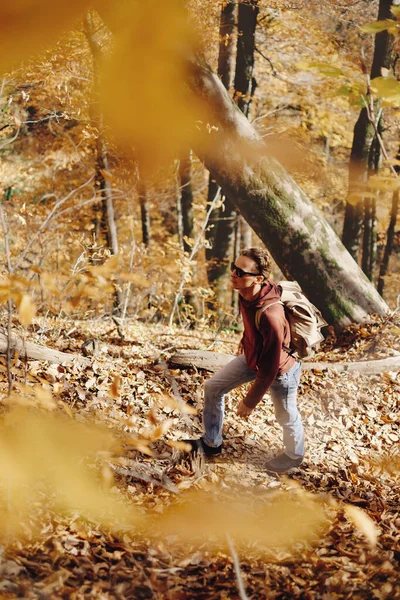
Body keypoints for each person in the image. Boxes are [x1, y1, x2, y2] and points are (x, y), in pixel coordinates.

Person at [186, 247, 304, 473]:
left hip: (281, 369)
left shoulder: (271, 315)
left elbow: (269, 370)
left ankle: (294, 455)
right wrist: (246, 338)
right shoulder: (245, 292)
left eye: (240, 272)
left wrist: (250, 402)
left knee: (286, 414)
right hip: (253, 357)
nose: (233, 274)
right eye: (233, 267)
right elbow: (251, 319)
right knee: (213, 387)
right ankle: (212, 443)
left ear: (259, 279)